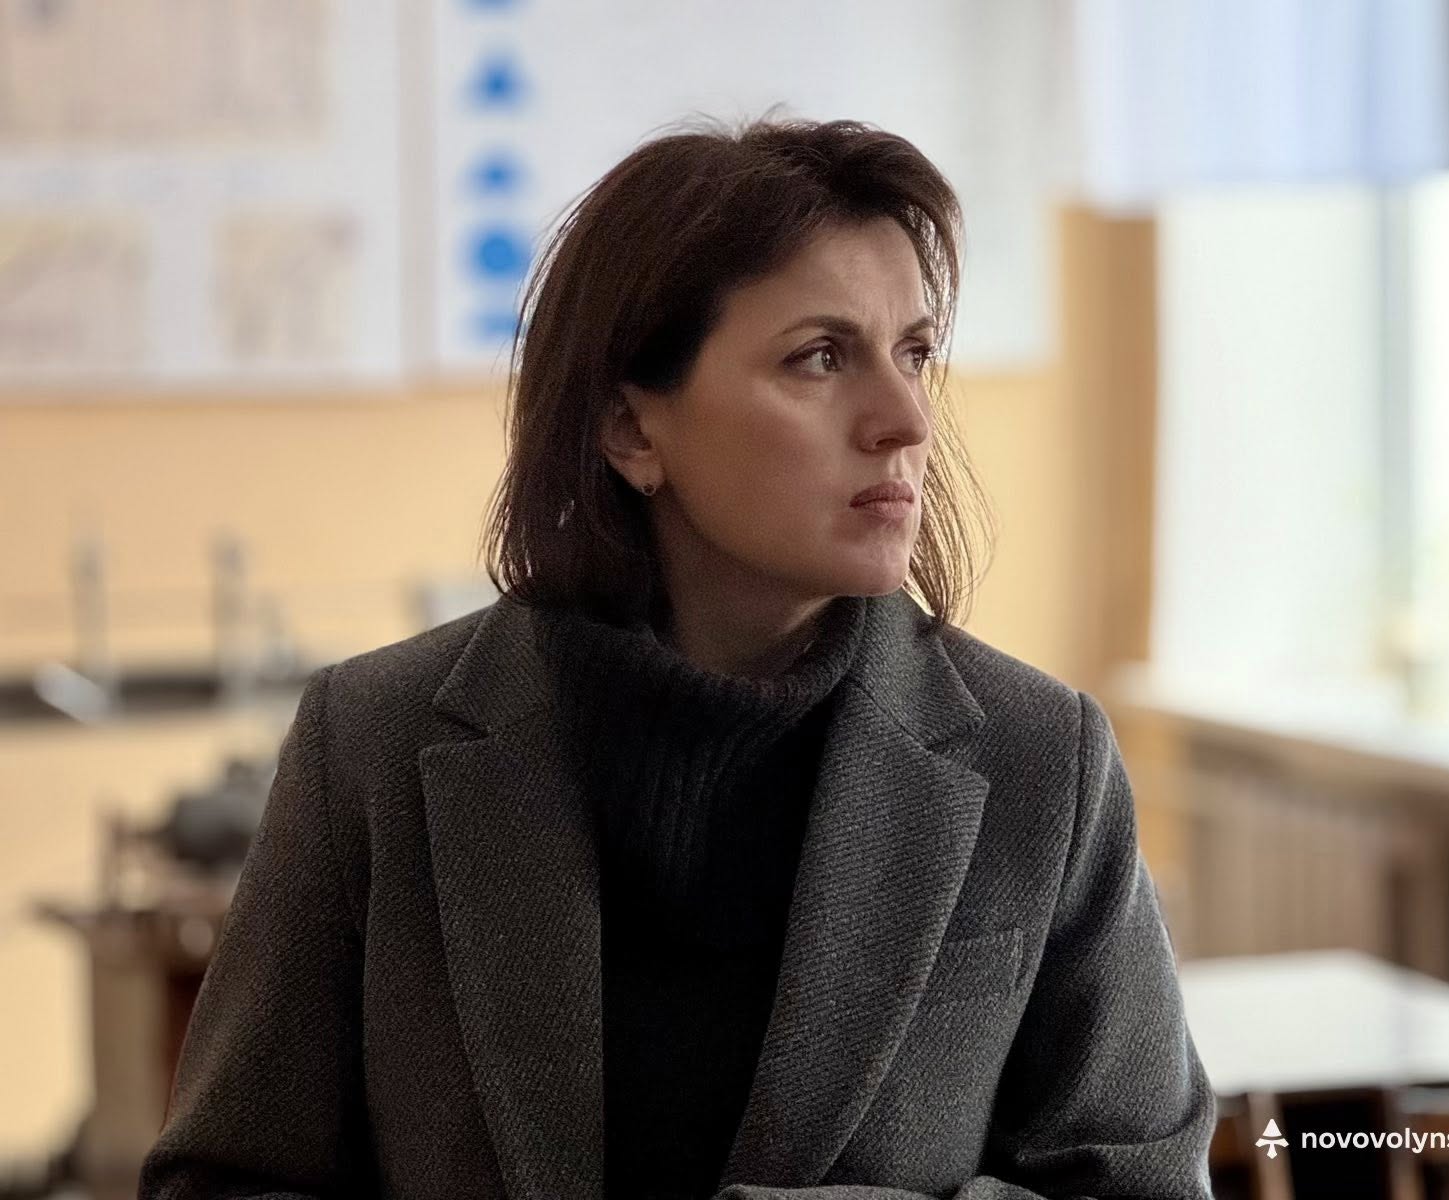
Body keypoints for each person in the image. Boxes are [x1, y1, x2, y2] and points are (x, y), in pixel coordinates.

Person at [139, 114, 1217, 1200]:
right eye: (819, 357)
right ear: (631, 430)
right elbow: (222, 1181)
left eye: (916, 353)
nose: (904, 420)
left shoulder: (1042, 759)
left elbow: (1142, 1185)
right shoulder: (372, 742)